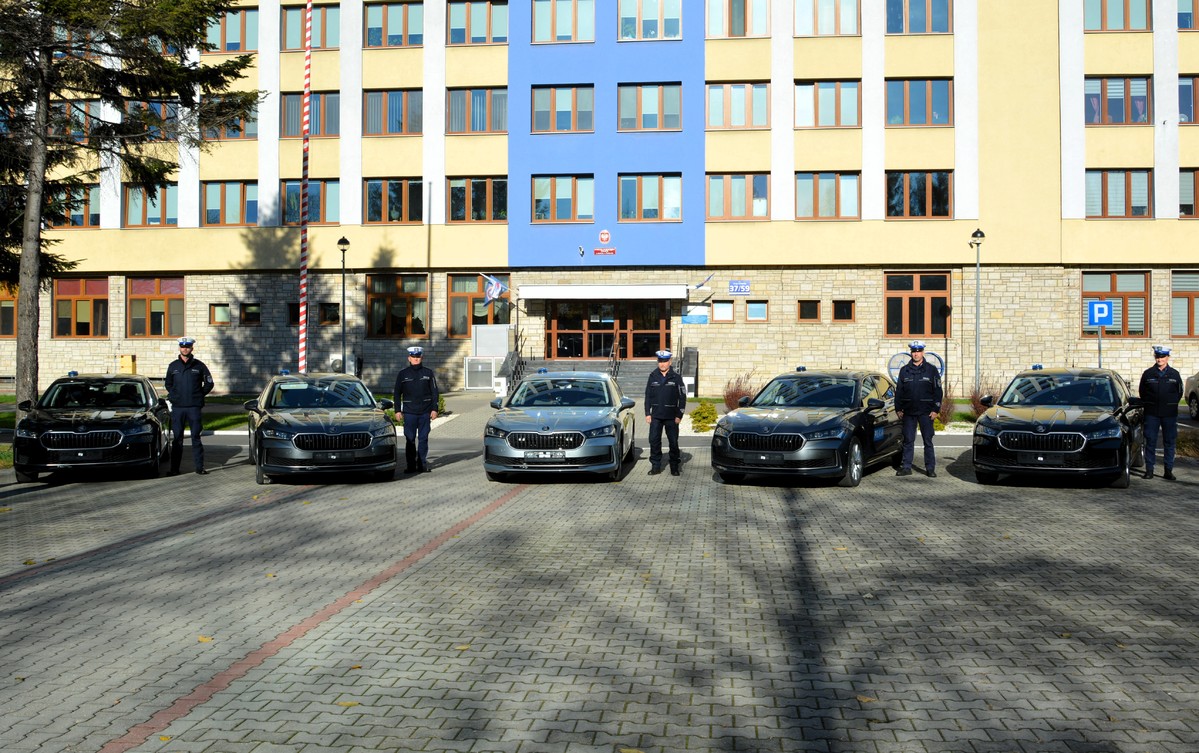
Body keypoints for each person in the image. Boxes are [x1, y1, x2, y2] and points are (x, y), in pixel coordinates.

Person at [164, 336, 214, 476]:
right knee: (177, 439)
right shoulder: (173, 366)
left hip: (194, 407)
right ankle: (174, 469)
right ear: (179, 348)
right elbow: (168, 384)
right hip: (178, 408)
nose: (185, 349)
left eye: (187, 347)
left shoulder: (199, 366)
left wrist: (199, 395)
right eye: (182, 346)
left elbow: (209, 383)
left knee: (195, 438)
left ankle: (199, 467)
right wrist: (174, 396)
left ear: (192, 348)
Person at [895, 340, 943, 478]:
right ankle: (906, 467)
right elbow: (899, 392)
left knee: (927, 441)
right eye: (914, 352)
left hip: (926, 412)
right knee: (908, 440)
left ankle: (930, 468)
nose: (916, 354)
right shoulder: (904, 370)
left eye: (919, 351)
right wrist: (898, 409)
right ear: (911, 353)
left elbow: (938, 391)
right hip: (909, 412)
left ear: (923, 352)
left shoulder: (931, 370)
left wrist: (936, 409)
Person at [1138, 345, 1183, 480]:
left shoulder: (1174, 374)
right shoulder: (1148, 374)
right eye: (1157, 356)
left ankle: (1168, 470)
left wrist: (1170, 403)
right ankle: (1149, 470)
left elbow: (1179, 392)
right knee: (1150, 441)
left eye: (1162, 357)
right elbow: (1142, 392)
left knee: (1169, 441)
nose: (1160, 359)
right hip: (1152, 413)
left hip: (1169, 413)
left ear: (1168, 357)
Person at [394, 345, 440, 473]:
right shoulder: (403, 374)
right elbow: (397, 393)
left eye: (418, 357)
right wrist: (397, 410)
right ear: (409, 358)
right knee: (410, 439)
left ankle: (422, 465)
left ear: (421, 358)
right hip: (410, 413)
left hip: (425, 412)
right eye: (413, 357)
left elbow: (434, 392)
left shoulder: (428, 373)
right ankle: (410, 466)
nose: (416, 359)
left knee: (423, 439)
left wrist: (435, 409)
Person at [644, 349, 687, 476]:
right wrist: (647, 413)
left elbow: (682, 397)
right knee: (654, 441)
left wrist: (679, 415)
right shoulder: (652, 376)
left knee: (673, 442)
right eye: (660, 361)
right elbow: (647, 396)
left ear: (670, 362)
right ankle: (655, 466)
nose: (662, 364)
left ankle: (674, 467)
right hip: (656, 416)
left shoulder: (676, 377)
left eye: (665, 361)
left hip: (671, 417)